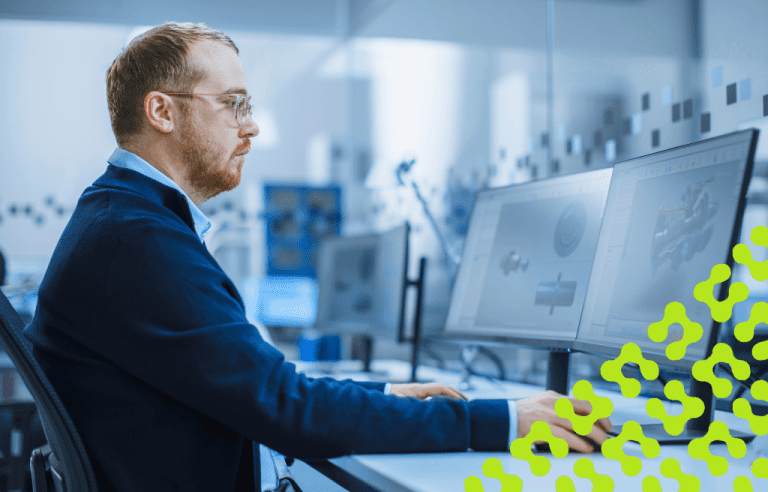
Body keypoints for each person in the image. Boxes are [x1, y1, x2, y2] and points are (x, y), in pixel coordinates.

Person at [24, 22, 611, 492]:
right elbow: (284, 408)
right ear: (162, 112)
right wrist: (504, 420)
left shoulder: (127, 220)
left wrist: (379, 398)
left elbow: (257, 387)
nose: (250, 127)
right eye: (233, 104)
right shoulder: (134, 238)